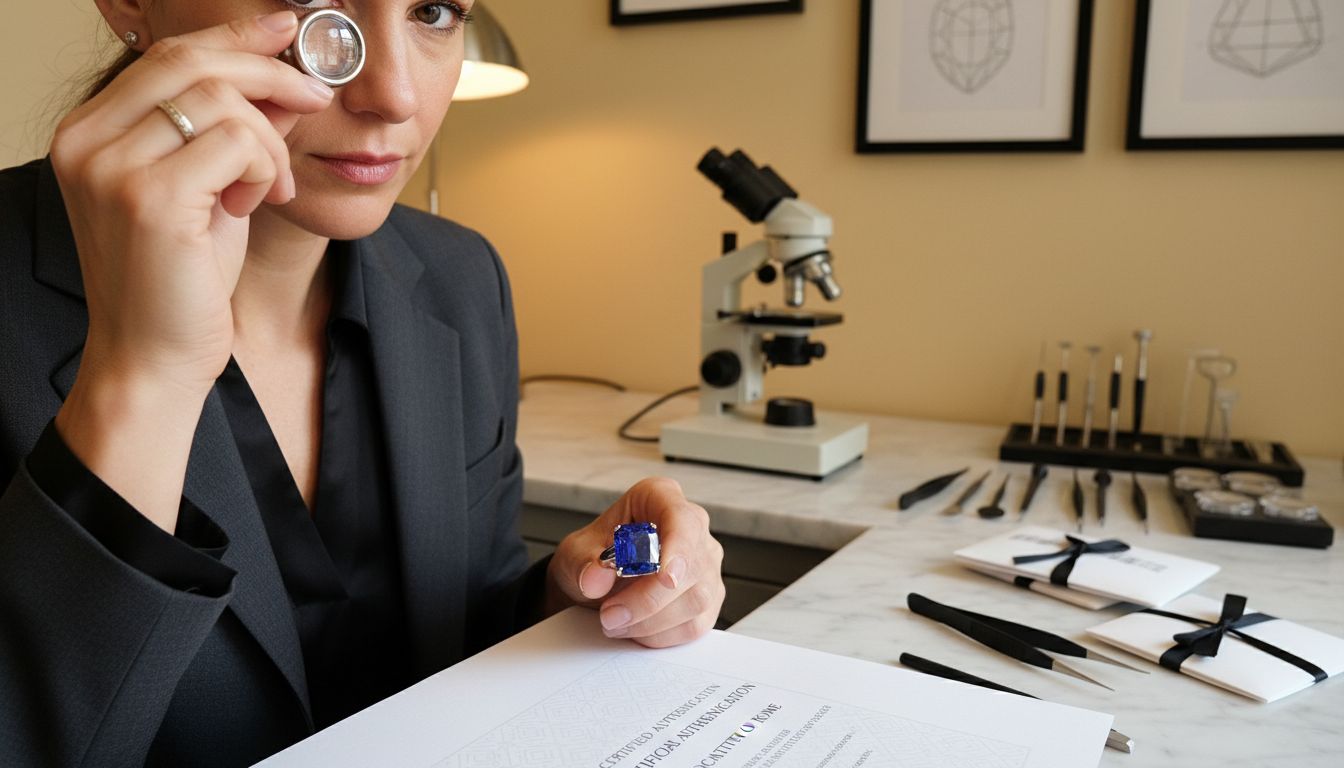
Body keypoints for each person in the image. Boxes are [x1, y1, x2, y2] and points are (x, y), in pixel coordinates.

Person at [0, 2, 726, 766]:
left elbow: (461, 634)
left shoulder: (460, 279)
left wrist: (580, 601)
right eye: (312, 7)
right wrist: (145, 374)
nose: (395, 94)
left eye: (435, 12)